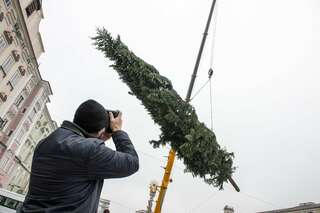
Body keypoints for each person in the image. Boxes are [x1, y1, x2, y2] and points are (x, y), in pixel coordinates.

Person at [18, 99, 139, 213]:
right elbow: (132, 163)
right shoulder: (90, 151)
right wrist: (117, 130)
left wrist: (99, 135)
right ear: (101, 131)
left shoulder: (45, 142)